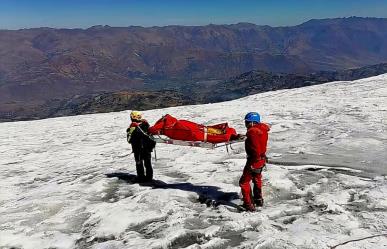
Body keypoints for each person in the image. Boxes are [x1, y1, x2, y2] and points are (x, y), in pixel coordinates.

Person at [239, 112, 270, 212]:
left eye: (247, 122)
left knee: (244, 182)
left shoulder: (252, 131)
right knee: (257, 178)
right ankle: (258, 199)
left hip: (254, 160)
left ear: (252, 122)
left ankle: (249, 205)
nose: (246, 124)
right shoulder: (262, 129)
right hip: (261, 160)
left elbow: (255, 148)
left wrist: (253, 162)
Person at [126, 111, 156, 182]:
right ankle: (149, 178)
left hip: (138, 149)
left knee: (139, 164)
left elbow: (129, 140)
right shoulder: (146, 124)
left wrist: (129, 131)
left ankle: (141, 178)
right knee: (148, 164)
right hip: (147, 148)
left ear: (133, 117)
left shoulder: (133, 126)